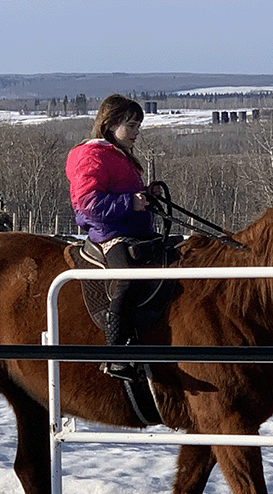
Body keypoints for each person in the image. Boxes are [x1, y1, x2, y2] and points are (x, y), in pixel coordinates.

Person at [65, 94, 161, 382]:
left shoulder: (116, 154)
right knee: (127, 281)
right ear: (109, 124)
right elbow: (87, 205)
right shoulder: (92, 156)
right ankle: (115, 354)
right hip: (110, 236)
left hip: (134, 232)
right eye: (130, 126)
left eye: (138, 126)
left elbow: (120, 191)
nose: (136, 132)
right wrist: (130, 203)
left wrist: (146, 195)